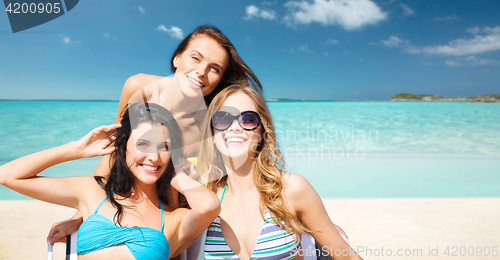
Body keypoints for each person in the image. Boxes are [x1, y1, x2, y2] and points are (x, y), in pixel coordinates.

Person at [47, 25, 263, 245]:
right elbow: (113, 153)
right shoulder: (139, 87)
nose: (201, 71)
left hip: (169, 218)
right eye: (195, 58)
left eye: (214, 69)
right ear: (177, 59)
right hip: (122, 203)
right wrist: (80, 216)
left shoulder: (210, 122)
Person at [0, 103, 220, 259]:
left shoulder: (173, 218)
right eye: (143, 144)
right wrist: (76, 149)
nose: (154, 157)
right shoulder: (93, 192)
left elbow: (209, 205)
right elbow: (7, 175)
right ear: (123, 147)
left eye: (164, 147)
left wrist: (178, 173)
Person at [198, 82, 362, 260]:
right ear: (212, 135)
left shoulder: (289, 189)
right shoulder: (204, 198)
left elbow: (347, 257)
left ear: (262, 133)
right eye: (222, 118)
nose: (235, 127)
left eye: (248, 119)